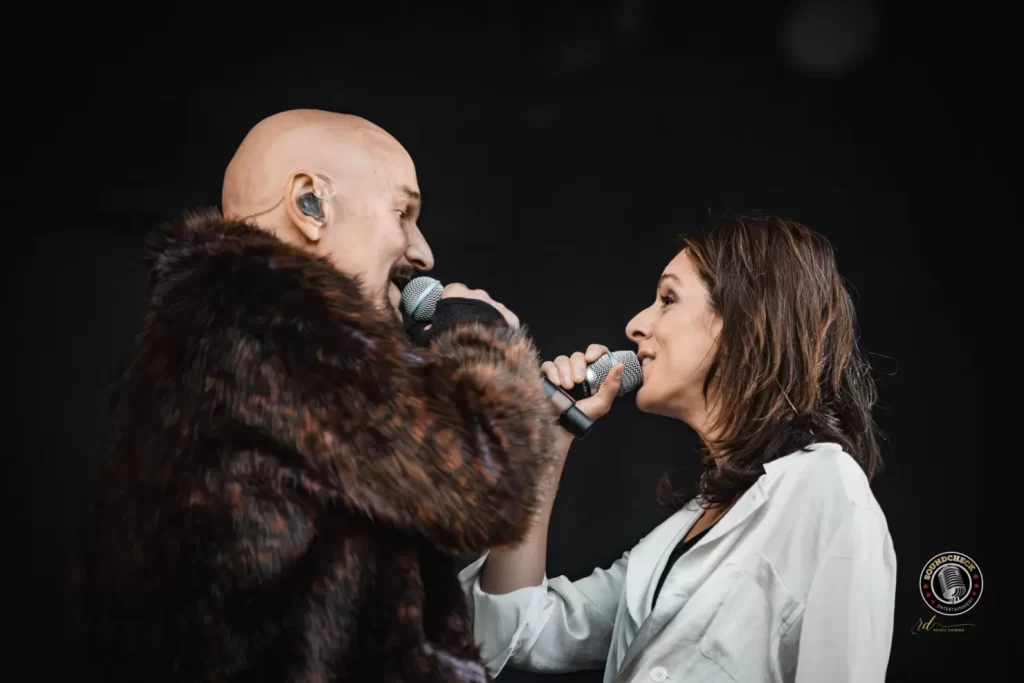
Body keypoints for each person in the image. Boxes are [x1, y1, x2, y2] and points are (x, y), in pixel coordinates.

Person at [75, 109, 565, 682]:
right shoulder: (278, 330)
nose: (422, 253)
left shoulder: (214, 337)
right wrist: (482, 340)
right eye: (402, 214)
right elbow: (487, 484)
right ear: (311, 204)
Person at [458, 214, 898, 682]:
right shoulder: (677, 537)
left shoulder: (826, 490)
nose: (635, 325)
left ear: (747, 321)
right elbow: (517, 630)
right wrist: (548, 439)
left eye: (668, 299)